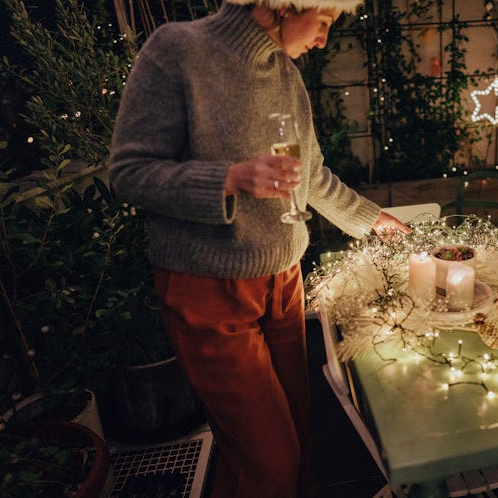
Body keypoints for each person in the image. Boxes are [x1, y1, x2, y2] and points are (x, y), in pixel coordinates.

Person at [109, 1, 408, 497]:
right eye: (326, 22)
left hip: (283, 282)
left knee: (293, 444)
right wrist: (228, 179)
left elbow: (309, 178)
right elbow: (129, 172)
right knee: (270, 461)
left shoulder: (286, 75)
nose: (322, 41)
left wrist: (372, 219)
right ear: (289, 3)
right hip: (210, 291)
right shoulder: (177, 51)